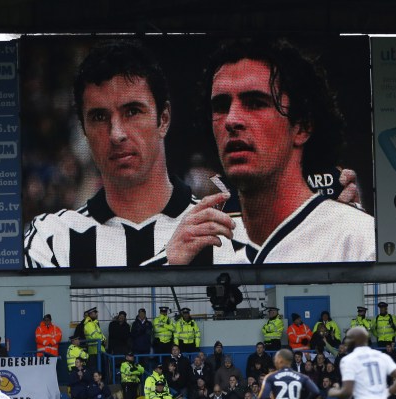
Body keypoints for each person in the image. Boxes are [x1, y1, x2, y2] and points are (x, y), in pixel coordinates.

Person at [159, 38, 375, 265]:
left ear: (302, 126)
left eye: (255, 103)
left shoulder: (359, 240)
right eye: (221, 106)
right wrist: (170, 273)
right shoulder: (200, 259)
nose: (231, 120)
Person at [25, 40, 205, 268]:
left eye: (132, 111)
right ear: (84, 130)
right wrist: (168, 263)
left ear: (163, 119)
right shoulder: (51, 239)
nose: (116, 134)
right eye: (99, 117)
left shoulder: (217, 232)